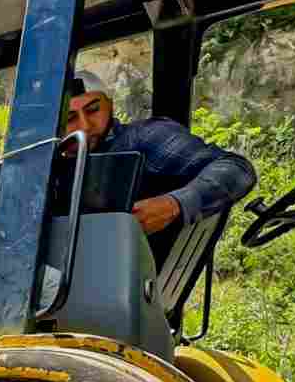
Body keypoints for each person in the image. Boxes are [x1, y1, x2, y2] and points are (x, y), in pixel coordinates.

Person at [65, 71, 257, 265]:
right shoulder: (51, 167)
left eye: (93, 110)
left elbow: (236, 169)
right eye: (70, 118)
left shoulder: (143, 138)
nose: (85, 126)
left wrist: (173, 204)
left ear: (110, 104)